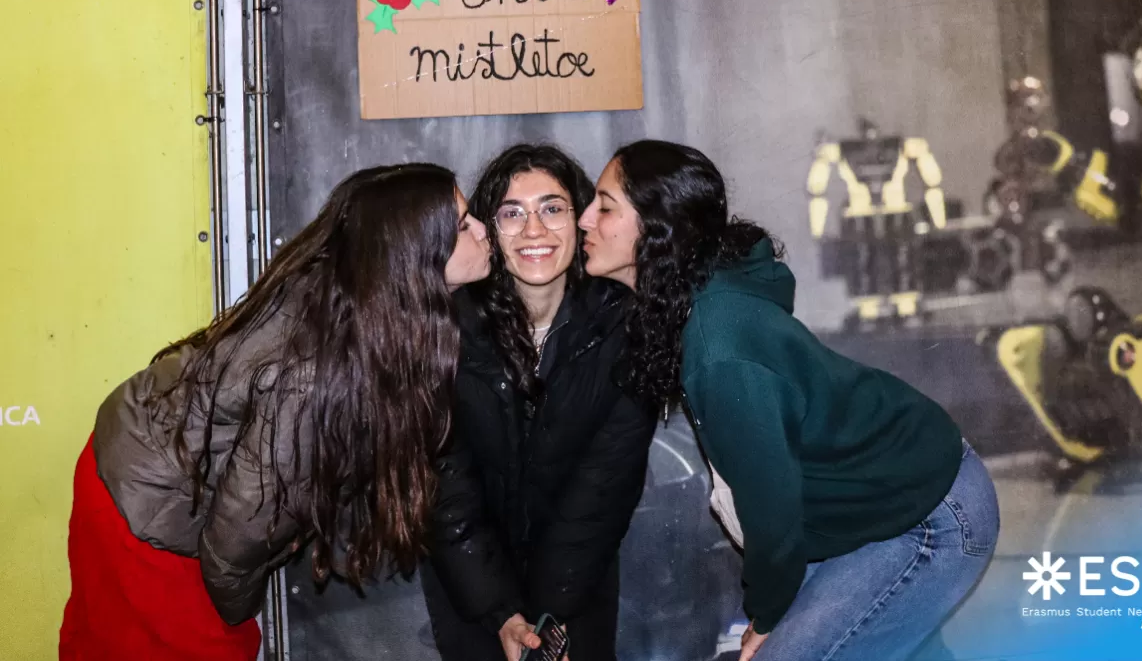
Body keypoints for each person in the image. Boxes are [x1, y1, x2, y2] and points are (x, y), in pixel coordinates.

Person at [578, 140, 1000, 661]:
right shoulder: (695, 302)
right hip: (888, 503)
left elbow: (769, 503)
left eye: (604, 206)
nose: (584, 218)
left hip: (931, 515)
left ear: (657, 227)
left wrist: (768, 614)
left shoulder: (719, 342)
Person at [59, 163, 491, 661]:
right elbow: (235, 544)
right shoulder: (317, 375)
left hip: (144, 460)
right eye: (463, 225)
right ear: (416, 255)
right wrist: (236, 615)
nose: (483, 229)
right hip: (148, 499)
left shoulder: (372, 311)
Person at [422, 144, 657, 661]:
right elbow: (445, 487)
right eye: (512, 213)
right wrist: (500, 612)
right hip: (470, 587)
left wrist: (547, 621)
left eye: (552, 208)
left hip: (577, 584)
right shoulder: (446, 331)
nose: (534, 230)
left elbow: (603, 489)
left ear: (581, 219)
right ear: (488, 229)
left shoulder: (625, 328)